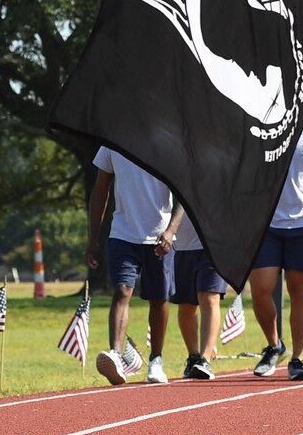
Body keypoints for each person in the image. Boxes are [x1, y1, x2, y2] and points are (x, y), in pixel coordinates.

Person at [248, 118, 303, 380]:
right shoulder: (259, 128)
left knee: (300, 290)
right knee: (261, 289)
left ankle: (297, 359)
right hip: (266, 224)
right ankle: (275, 345)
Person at [86, 148, 179, 385]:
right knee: (122, 290)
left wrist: (170, 231)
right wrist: (93, 238)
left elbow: (184, 196)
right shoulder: (111, 143)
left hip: (160, 237)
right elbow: (100, 191)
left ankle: (156, 359)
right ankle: (116, 355)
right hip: (122, 234)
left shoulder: (168, 142)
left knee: (158, 299)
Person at [169, 203, 229, 380]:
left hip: (215, 245)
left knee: (209, 297)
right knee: (186, 306)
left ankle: (205, 358)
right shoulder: (179, 174)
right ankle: (193, 356)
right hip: (181, 246)